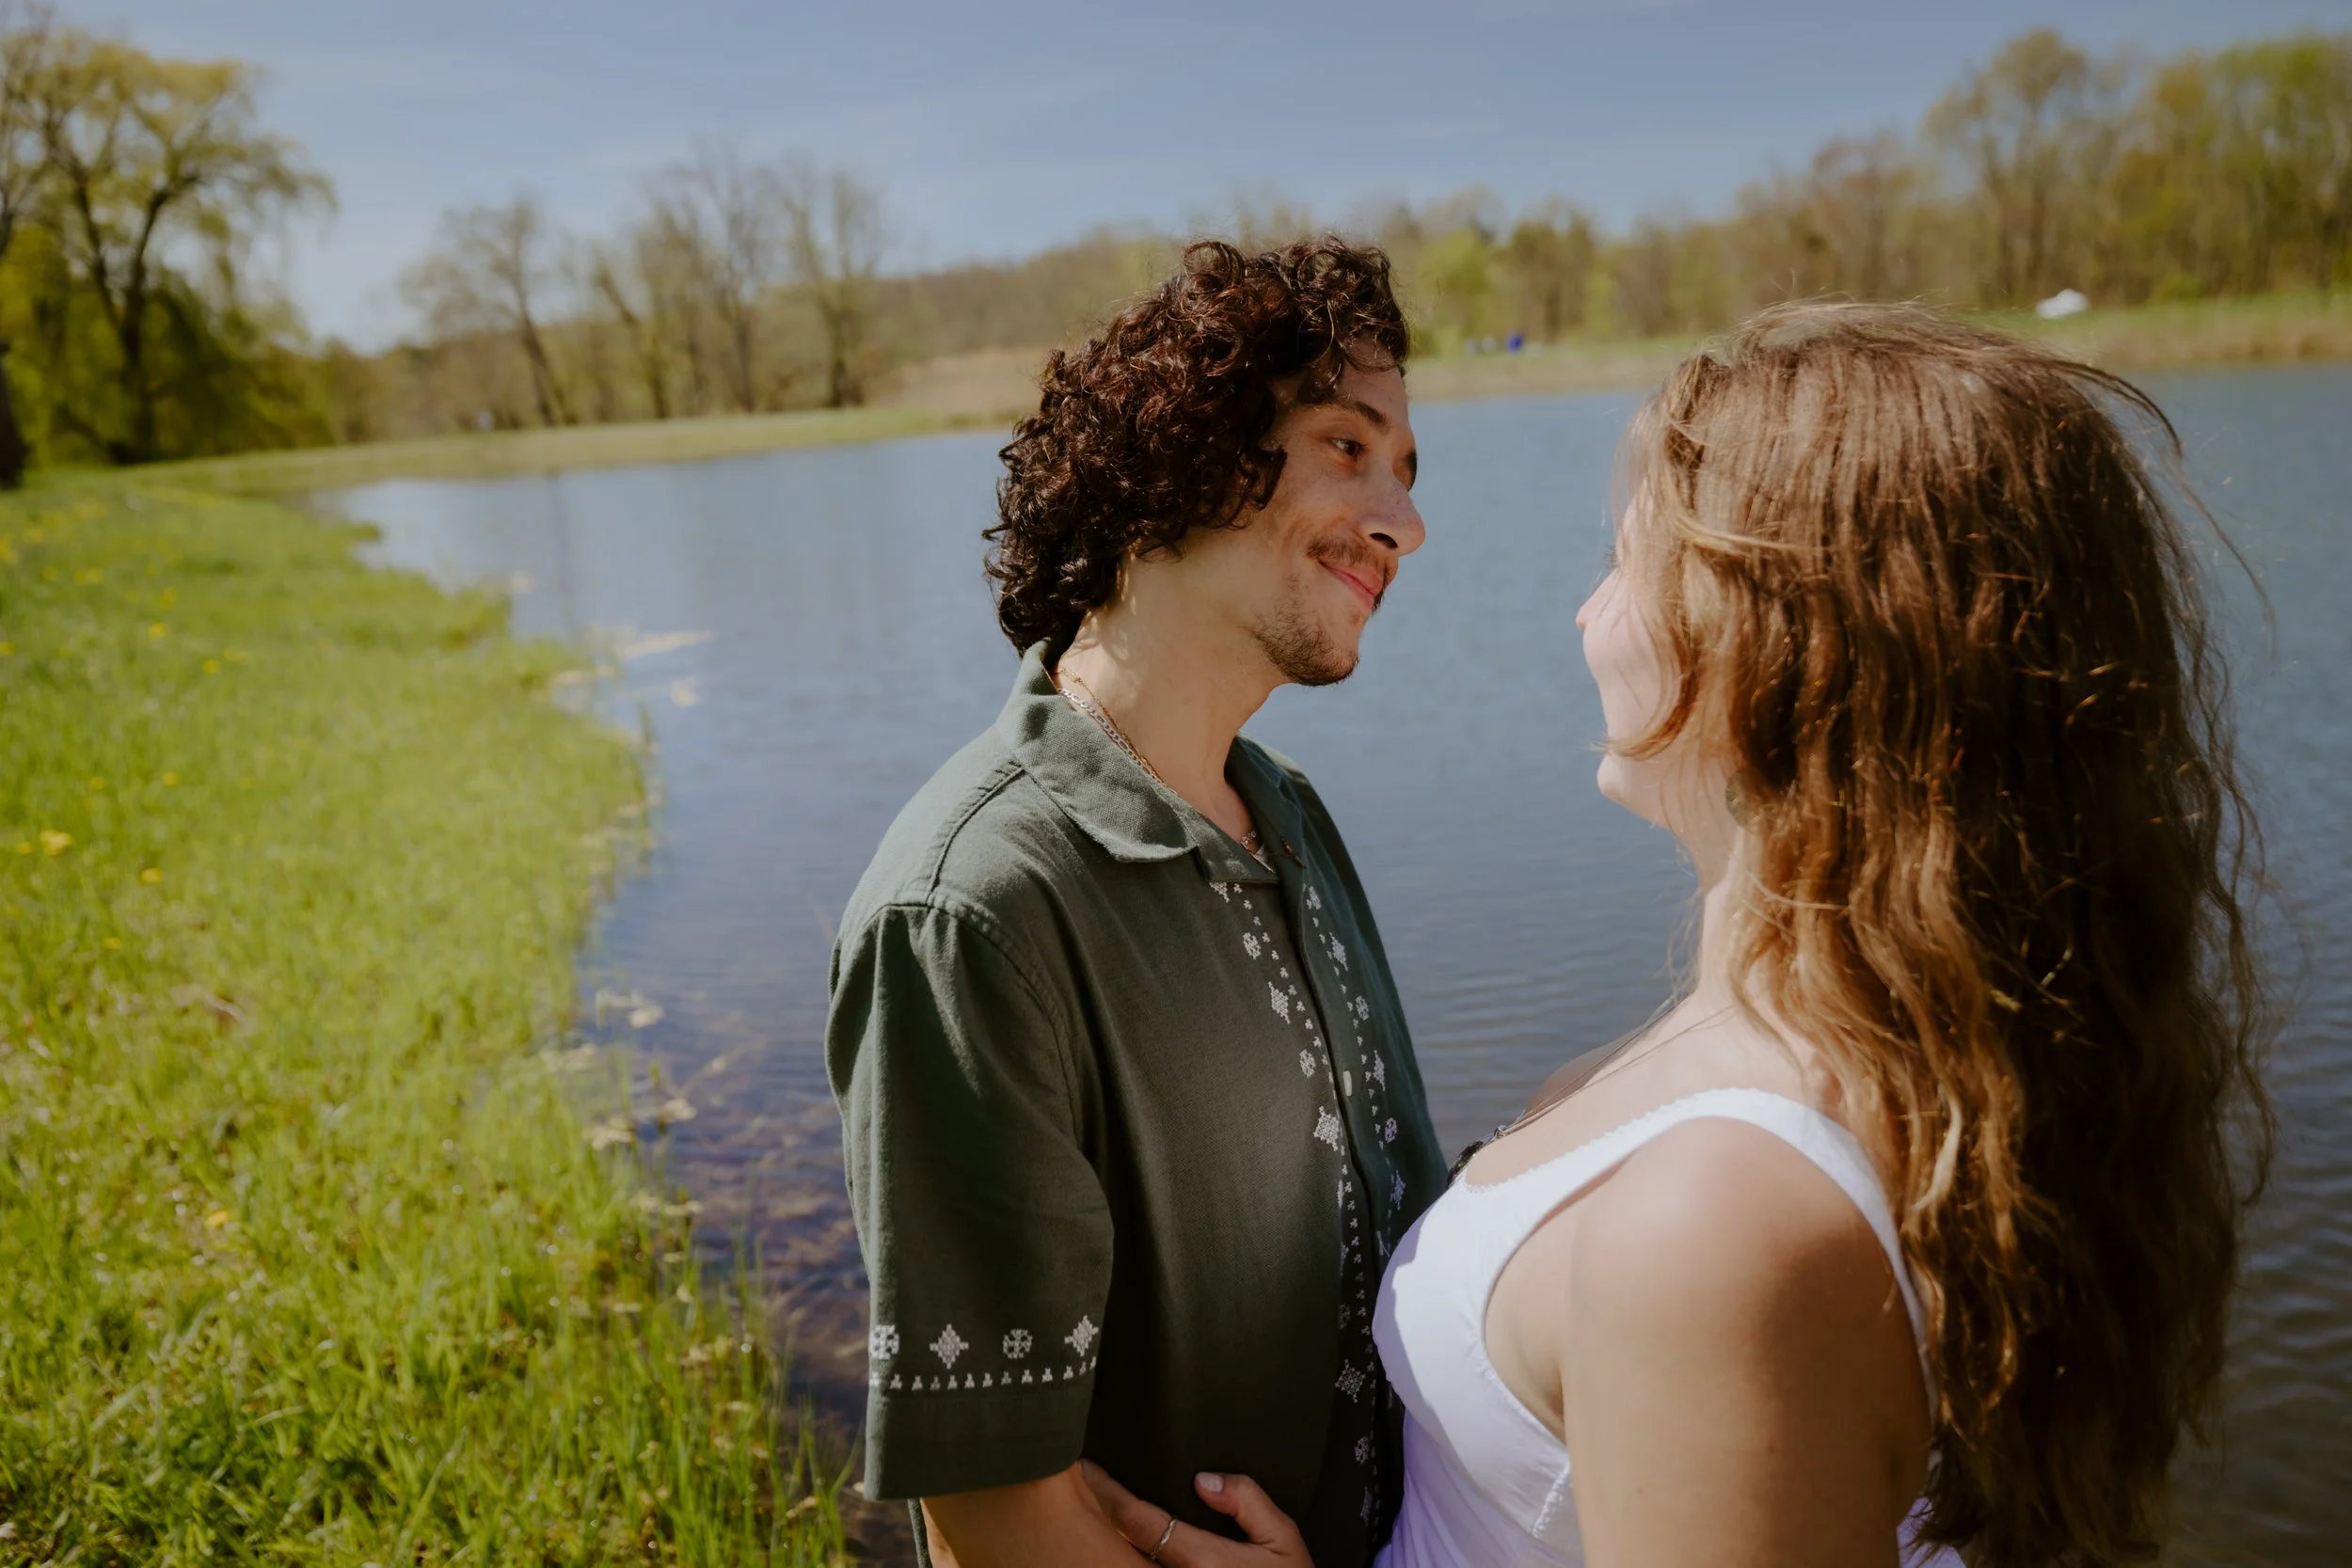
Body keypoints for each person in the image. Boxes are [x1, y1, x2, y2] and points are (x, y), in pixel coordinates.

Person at [1084, 302, 2273, 1566]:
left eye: (1622, 562)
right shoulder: (1914, 1056)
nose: (1585, 619)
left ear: (1780, 637)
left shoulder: (1716, 1231)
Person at [825, 237, 1451, 1568]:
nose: (1403, 520)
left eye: (1405, 470)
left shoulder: (1289, 813)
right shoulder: (972, 911)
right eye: (1349, 446)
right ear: (1188, 448)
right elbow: (995, 1505)